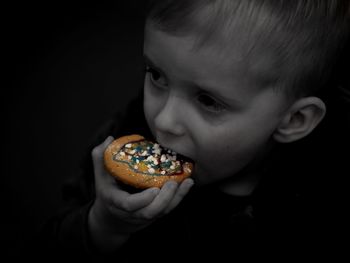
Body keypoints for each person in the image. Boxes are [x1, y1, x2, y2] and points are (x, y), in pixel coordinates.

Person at [36, 0, 349, 261]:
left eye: (208, 100)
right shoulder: (124, 139)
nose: (164, 121)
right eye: (156, 75)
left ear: (293, 121)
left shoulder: (317, 208)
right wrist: (103, 226)